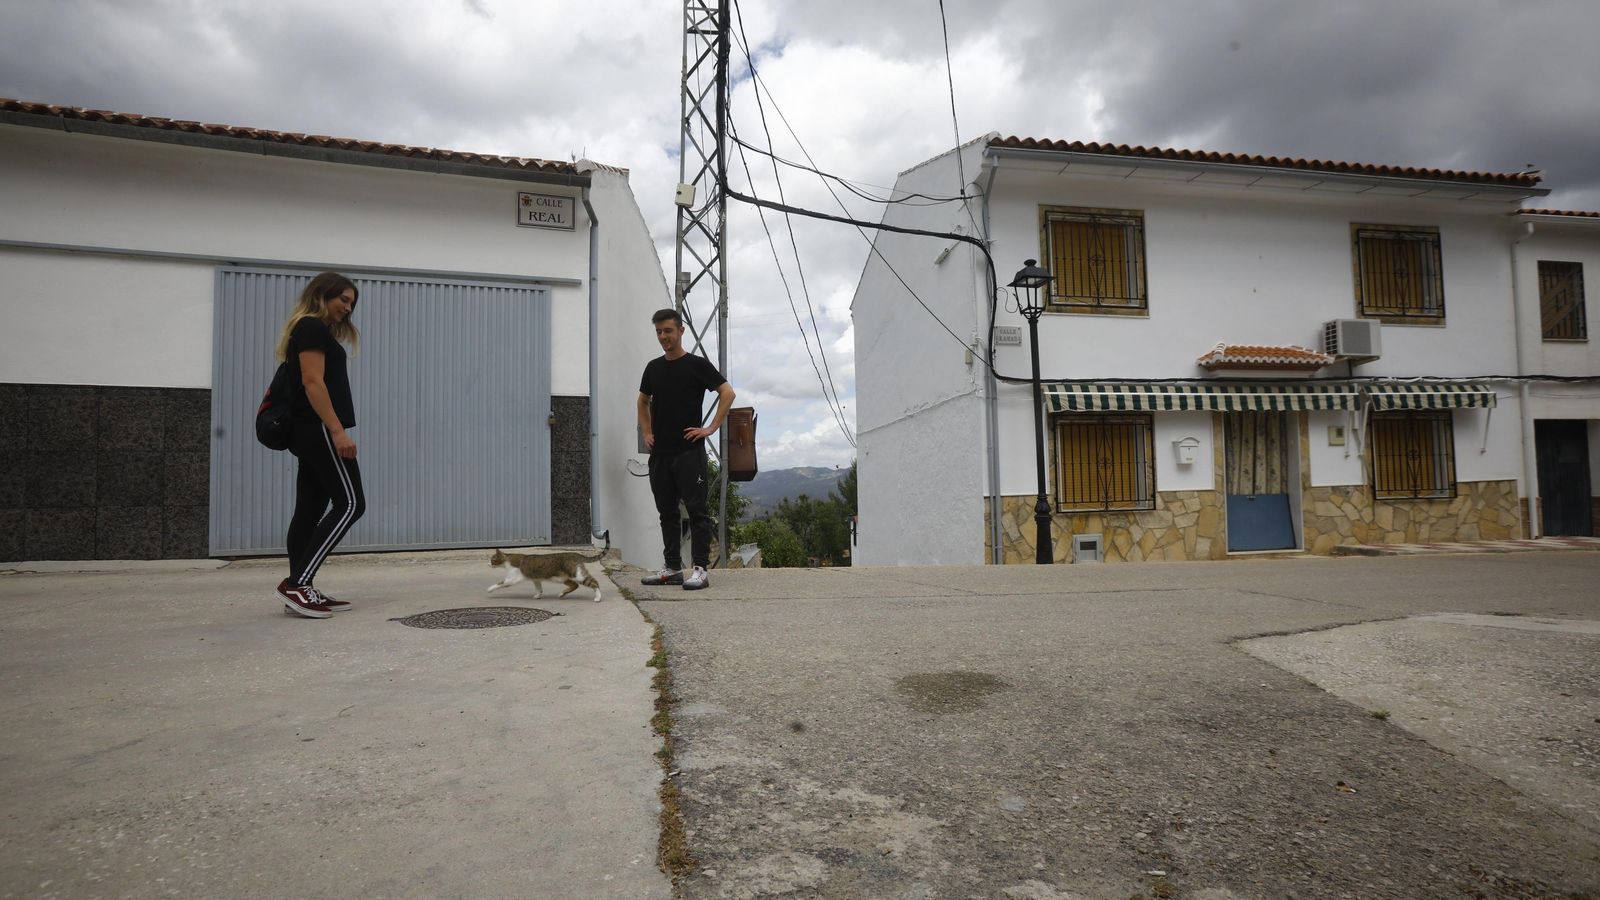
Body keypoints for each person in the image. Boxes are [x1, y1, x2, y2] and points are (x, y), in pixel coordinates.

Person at [273, 272, 367, 618]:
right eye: (343, 299)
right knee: (351, 504)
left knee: (310, 510)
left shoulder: (312, 329)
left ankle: (300, 587)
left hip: (310, 431)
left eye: (351, 302)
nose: (347, 307)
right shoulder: (312, 327)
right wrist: (338, 431)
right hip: (319, 430)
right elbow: (313, 383)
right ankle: (298, 584)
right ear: (322, 294)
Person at [637, 308, 736, 590]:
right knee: (666, 512)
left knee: (697, 511)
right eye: (659, 332)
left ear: (681, 331)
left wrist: (711, 428)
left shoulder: (697, 365)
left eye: (668, 330)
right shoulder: (653, 368)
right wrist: (647, 431)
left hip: (688, 452)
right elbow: (642, 401)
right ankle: (671, 568)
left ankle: (700, 569)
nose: (663, 336)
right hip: (661, 455)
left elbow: (727, 392)